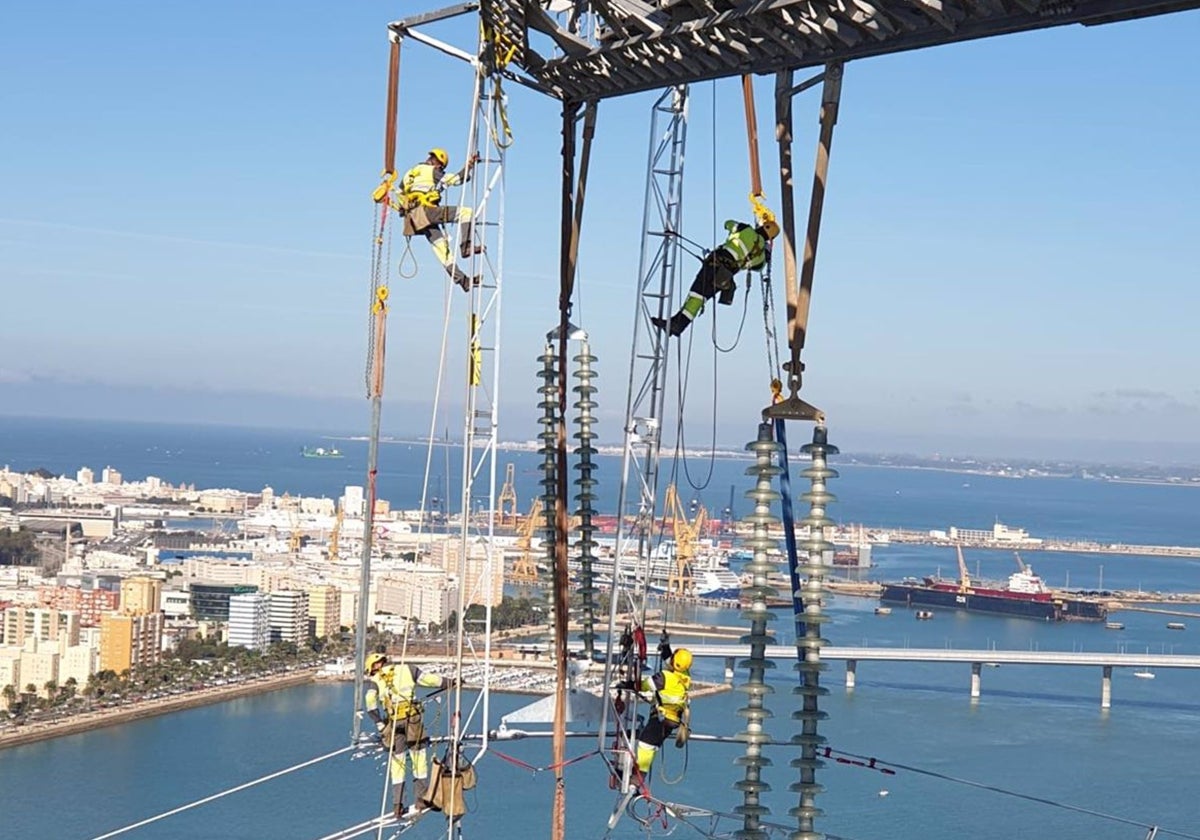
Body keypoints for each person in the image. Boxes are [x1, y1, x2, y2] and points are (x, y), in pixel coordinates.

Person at [652, 219, 780, 337]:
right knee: (700, 298)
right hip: (724, 277)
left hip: (715, 264)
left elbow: (728, 223)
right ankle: (677, 325)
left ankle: (676, 324)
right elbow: (759, 268)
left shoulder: (746, 229)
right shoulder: (761, 256)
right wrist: (766, 253)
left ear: (764, 226)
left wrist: (744, 230)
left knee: (696, 294)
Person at [363, 652, 453, 819]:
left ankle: (397, 805)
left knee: (397, 762)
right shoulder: (407, 669)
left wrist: (380, 725)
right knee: (418, 758)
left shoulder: (375, 682)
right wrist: (449, 683)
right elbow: (429, 680)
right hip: (413, 720)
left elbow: (370, 703)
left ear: (374, 667)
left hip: (393, 722)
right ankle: (421, 800)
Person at [398, 148, 483, 292]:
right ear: (438, 164)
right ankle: (466, 246)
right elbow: (455, 180)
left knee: (443, 252)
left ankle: (463, 281)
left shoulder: (410, 174)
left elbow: (400, 194)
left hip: (414, 219)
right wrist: (469, 166)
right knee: (466, 213)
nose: (440, 169)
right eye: (441, 167)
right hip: (428, 212)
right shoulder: (431, 171)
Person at [628, 643, 692, 774]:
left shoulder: (665, 677)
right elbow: (672, 663)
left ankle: (637, 778)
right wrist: (666, 649)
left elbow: (645, 685)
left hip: (661, 719)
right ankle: (638, 776)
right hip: (673, 720)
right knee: (653, 744)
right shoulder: (685, 677)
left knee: (646, 745)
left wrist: (630, 684)